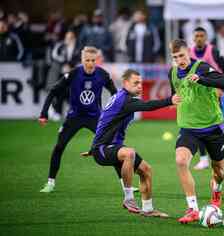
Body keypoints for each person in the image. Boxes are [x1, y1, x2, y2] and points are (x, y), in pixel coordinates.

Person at [82, 69, 181, 217]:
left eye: (140, 83)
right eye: (136, 83)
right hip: (104, 149)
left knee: (146, 170)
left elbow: (104, 121)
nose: (140, 86)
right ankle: (128, 198)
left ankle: (148, 209)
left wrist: (92, 148)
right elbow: (147, 106)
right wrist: (169, 100)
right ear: (126, 83)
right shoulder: (125, 100)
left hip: (109, 147)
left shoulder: (121, 97)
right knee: (130, 153)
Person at [38, 46, 136, 193]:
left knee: (111, 147)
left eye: (93, 60)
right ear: (82, 60)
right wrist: (44, 113)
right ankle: (50, 183)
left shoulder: (102, 74)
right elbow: (53, 90)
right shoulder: (73, 74)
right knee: (59, 146)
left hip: (95, 117)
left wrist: (117, 112)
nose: (90, 63)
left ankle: (125, 185)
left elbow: (115, 94)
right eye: (87, 60)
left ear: (97, 60)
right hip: (74, 117)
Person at [168, 39, 224, 223]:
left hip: (212, 127)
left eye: (181, 55)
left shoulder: (202, 67)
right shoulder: (172, 73)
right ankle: (193, 209)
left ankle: (216, 194)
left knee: (219, 171)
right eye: (175, 57)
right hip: (189, 128)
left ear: (188, 52)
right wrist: (174, 100)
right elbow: (176, 93)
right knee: (180, 160)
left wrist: (202, 79)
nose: (179, 60)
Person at [190, 26, 224, 170]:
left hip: (213, 92)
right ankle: (203, 159)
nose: (199, 38)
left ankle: (218, 155)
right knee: (198, 123)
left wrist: (221, 87)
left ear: (206, 38)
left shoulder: (212, 51)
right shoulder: (189, 53)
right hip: (198, 93)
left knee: (216, 123)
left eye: (202, 35)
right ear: (193, 38)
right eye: (197, 36)